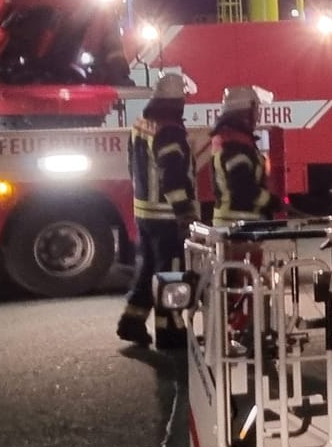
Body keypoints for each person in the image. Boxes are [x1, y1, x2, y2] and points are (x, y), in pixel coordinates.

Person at [118, 72, 196, 349]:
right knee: (171, 273)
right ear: (176, 100)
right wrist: (185, 212)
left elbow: (132, 165)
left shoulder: (142, 123)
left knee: (146, 269)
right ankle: (170, 331)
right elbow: (173, 175)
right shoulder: (170, 129)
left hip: (144, 213)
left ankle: (131, 322)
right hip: (166, 217)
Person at [210, 85, 280, 225]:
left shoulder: (231, 139)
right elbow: (243, 189)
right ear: (245, 113)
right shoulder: (236, 146)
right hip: (236, 226)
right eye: (255, 111)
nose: (257, 116)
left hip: (234, 223)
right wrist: (271, 201)